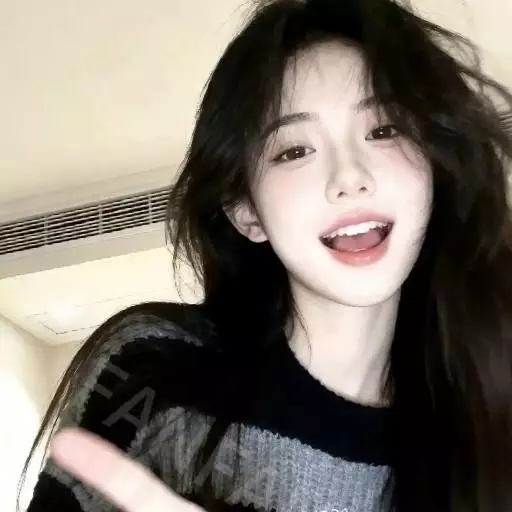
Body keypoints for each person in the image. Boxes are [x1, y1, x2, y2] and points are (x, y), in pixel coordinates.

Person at [19, 0, 512, 510]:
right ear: (246, 211)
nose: (349, 177)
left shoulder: (491, 426)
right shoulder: (152, 369)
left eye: (384, 129)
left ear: (435, 165)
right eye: (294, 151)